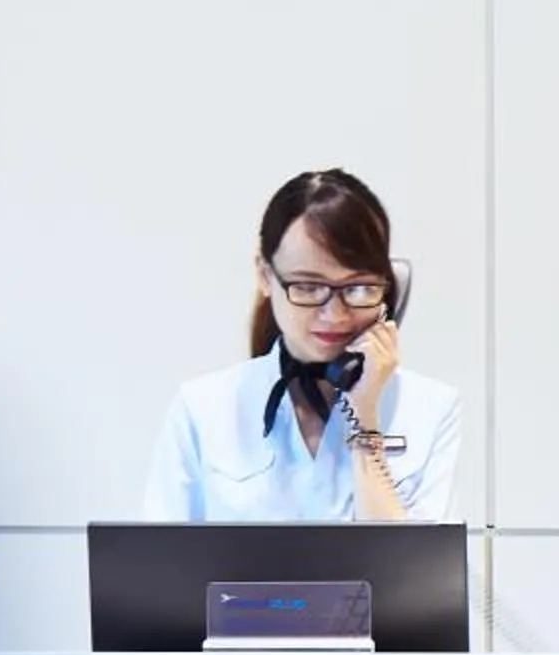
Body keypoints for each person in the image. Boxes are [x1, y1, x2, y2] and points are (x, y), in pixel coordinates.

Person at [143, 168, 460, 521]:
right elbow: (161, 567)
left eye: (358, 288)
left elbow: (411, 570)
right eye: (308, 287)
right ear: (265, 276)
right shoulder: (202, 408)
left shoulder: (431, 408)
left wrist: (366, 425)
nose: (335, 314)